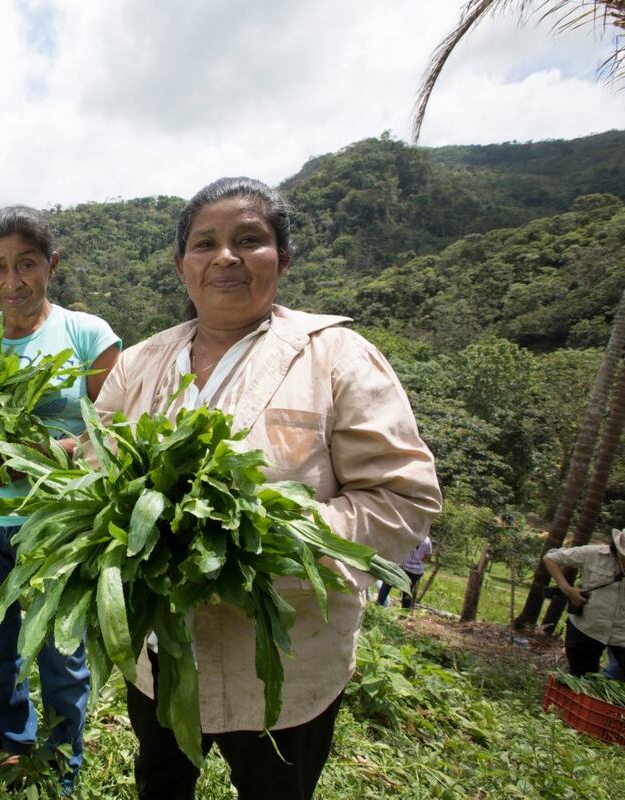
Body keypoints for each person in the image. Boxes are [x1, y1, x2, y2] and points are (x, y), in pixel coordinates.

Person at [93, 177, 442, 799]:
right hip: (163, 654)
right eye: (205, 243)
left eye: (249, 240)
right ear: (181, 265)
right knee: (162, 780)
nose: (225, 256)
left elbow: (402, 498)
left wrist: (261, 541)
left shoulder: (337, 356)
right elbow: (101, 466)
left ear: (281, 258)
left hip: (288, 660)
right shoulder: (140, 361)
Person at [0, 206, 121, 790]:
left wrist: (37, 453)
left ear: (52, 264)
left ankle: (64, 762)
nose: (11, 282)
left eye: (26, 264)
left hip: (57, 525)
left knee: (61, 654)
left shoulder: (88, 335)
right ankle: (17, 742)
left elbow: (116, 432)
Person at [543, 527, 625, 677]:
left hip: (621, 634)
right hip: (587, 627)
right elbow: (551, 558)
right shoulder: (594, 553)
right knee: (582, 677)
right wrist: (567, 589)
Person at [378, 535, 432, 609]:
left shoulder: (408, 534)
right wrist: (418, 559)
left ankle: (378, 605)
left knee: (387, 584)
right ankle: (404, 613)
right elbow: (427, 556)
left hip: (402, 566)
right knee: (408, 591)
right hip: (416, 571)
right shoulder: (427, 540)